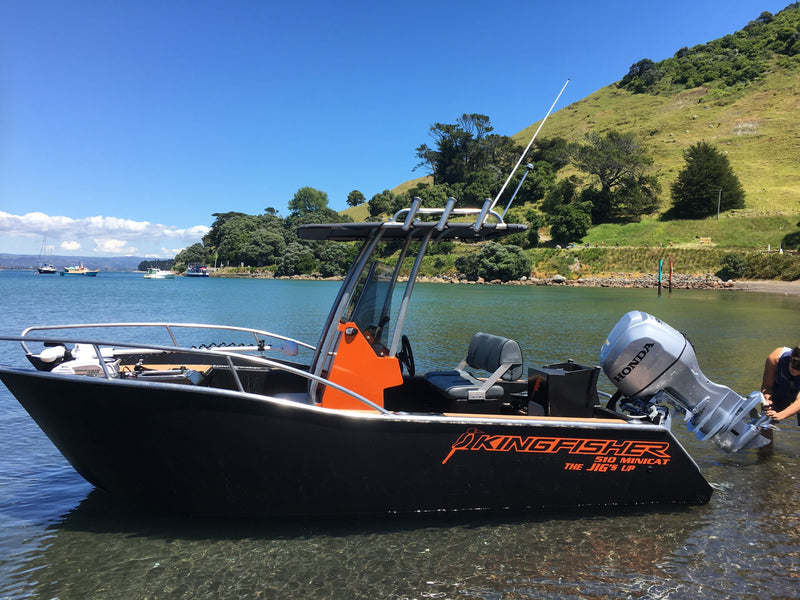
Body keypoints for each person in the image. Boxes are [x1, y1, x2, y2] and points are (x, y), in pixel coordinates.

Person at [758, 345, 800, 453]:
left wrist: (780, 415)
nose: (795, 372)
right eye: (794, 367)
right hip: (781, 386)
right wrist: (767, 400)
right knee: (766, 422)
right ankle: (765, 457)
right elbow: (767, 386)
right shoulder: (775, 358)